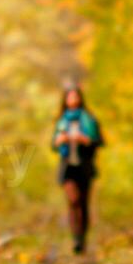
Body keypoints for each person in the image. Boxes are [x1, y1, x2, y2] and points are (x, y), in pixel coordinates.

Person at [52, 85, 104, 254]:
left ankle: (81, 239)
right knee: (73, 200)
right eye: (70, 96)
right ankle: (75, 238)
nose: (73, 99)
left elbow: (99, 142)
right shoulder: (61, 121)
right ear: (65, 100)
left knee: (83, 203)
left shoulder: (90, 119)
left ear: (80, 98)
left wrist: (85, 140)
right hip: (67, 167)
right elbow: (53, 144)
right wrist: (60, 141)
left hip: (85, 167)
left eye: (75, 96)